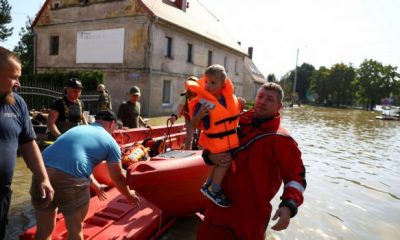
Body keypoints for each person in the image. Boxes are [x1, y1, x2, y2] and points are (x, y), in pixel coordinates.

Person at [197, 82, 307, 240]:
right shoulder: (234, 122)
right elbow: (210, 147)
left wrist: (288, 206)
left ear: (279, 106)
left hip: (250, 218)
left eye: (269, 99)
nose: (262, 102)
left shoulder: (282, 140)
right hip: (217, 209)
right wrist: (210, 156)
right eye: (260, 97)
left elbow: (296, 177)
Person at [31, 109, 140, 240]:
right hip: (69, 181)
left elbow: (73, 159)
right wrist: (129, 196)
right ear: (112, 123)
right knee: (75, 231)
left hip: (40, 174)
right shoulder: (111, 143)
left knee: (43, 232)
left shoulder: (77, 129)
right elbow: (118, 178)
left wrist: (96, 185)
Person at [0, 46, 54, 239]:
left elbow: (28, 144)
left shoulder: (18, 104)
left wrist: (43, 178)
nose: (18, 84)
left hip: (2, 195)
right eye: (14, 77)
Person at [186, 64, 241, 208]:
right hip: (215, 141)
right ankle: (214, 189)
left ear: (223, 84)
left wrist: (241, 105)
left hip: (227, 140)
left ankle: (208, 185)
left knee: (219, 163)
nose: (208, 85)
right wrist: (198, 115)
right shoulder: (203, 101)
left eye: (213, 82)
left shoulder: (229, 98)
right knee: (225, 162)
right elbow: (193, 124)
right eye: (206, 82)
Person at [169, 76, 198, 150]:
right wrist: (174, 116)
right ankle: (187, 155)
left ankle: (201, 153)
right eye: (190, 86)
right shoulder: (186, 97)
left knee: (201, 138)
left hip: (200, 118)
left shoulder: (201, 95)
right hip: (189, 119)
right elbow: (179, 107)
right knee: (189, 138)